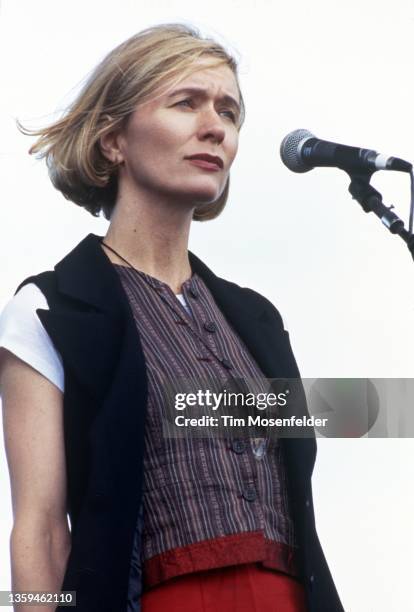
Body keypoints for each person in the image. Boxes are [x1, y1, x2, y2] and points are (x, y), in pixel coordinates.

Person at [0, 24, 344, 612]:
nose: (215, 126)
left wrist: (395, 405)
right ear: (114, 140)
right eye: (185, 103)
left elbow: (287, 441)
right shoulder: (50, 310)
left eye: (229, 112)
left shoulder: (255, 318)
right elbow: (40, 529)